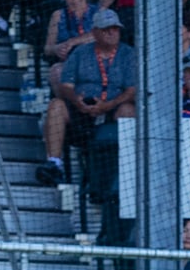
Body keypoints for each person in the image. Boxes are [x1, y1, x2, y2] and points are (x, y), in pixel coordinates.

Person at [38, 10, 134, 185]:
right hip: (82, 109)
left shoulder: (129, 54)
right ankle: (54, 163)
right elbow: (66, 85)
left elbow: (132, 90)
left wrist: (108, 105)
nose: (111, 33)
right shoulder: (80, 53)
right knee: (56, 105)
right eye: (106, 29)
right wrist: (76, 100)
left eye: (115, 29)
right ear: (95, 33)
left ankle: (125, 167)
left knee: (128, 109)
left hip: (111, 110)